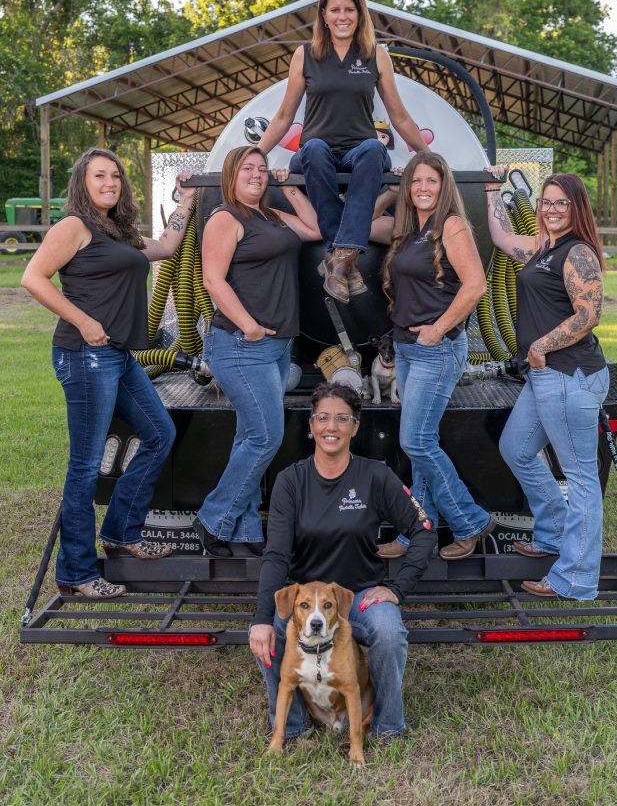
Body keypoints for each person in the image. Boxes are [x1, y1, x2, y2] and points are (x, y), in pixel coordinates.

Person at [21, 147, 197, 599]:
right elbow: (34, 277)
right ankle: (75, 573)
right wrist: (82, 319)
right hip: (84, 355)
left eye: (115, 177)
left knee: (160, 433)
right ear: (82, 182)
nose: (109, 183)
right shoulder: (73, 227)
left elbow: (166, 247)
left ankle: (121, 532)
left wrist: (186, 203)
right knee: (83, 467)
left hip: (117, 356)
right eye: (100, 176)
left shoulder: (117, 230)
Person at [249, 382, 435, 742]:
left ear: (356, 426)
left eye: (341, 418)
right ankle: (293, 727)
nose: (331, 427)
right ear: (311, 425)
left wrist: (397, 588)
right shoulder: (291, 481)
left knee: (388, 631)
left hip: (360, 597)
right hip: (307, 602)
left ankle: (388, 727)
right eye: (322, 417)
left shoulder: (376, 476)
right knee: (269, 634)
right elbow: (276, 555)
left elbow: (424, 530)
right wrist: (260, 619)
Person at [256, 0, 429, 304]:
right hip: (314, 155)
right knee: (316, 147)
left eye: (349, 9)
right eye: (334, 9)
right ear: (323, 15)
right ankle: (346, 261)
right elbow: (282, 117)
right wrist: (253, 156)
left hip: (359, 154)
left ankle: (338, 261)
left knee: (374, 148)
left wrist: (428, 156)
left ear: (360, 14)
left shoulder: (376, 55)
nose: (342, 16)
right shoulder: (304, 55)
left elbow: (400, 117)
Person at [484, 169, 609, 600]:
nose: (551, 209)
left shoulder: (578, 253)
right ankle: (553, 532)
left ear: (576, 208)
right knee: (515, 448)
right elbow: (501, 237)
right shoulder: (543, 249)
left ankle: (574, 578)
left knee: (580, 476)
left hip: (570, 374)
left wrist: (540, 345)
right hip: (545, 376)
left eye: (561, 203)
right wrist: (490, 190)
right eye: (546, 201)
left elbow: (588, 314)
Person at [194, 145, 320, 558]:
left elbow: (315, 230)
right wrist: (248, 324)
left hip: (278, 345)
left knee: (248, 436)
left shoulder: (270, 215)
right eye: (247, 168)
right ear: (231, 174)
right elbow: (213, 280)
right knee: (267, 437)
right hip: (240, 344)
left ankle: (245, 528)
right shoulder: (224, 218)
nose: (257, 174)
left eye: (262, 169)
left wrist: (292, 187)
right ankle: (213, 520)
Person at [371, 151, 493, 560]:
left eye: (431, 181)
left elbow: (475, 286)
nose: (423, 188)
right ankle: (416, 535)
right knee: (421, 445)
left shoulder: (451, 226)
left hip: (436, 350)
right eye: (416, 181)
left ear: (444, 187)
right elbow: (365, 226)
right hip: (406, 350)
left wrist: (439, 328)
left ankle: (469, 522)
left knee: (416, 441)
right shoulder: (407, 229)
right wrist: (390, 192)